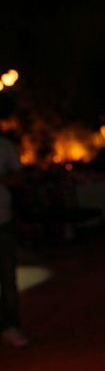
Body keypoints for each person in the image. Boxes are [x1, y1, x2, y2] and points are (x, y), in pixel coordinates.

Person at [0, 131, 29, 348]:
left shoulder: (4, 146)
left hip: (2, 220)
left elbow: (19, 178)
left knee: (7, 278)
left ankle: (11, 326)